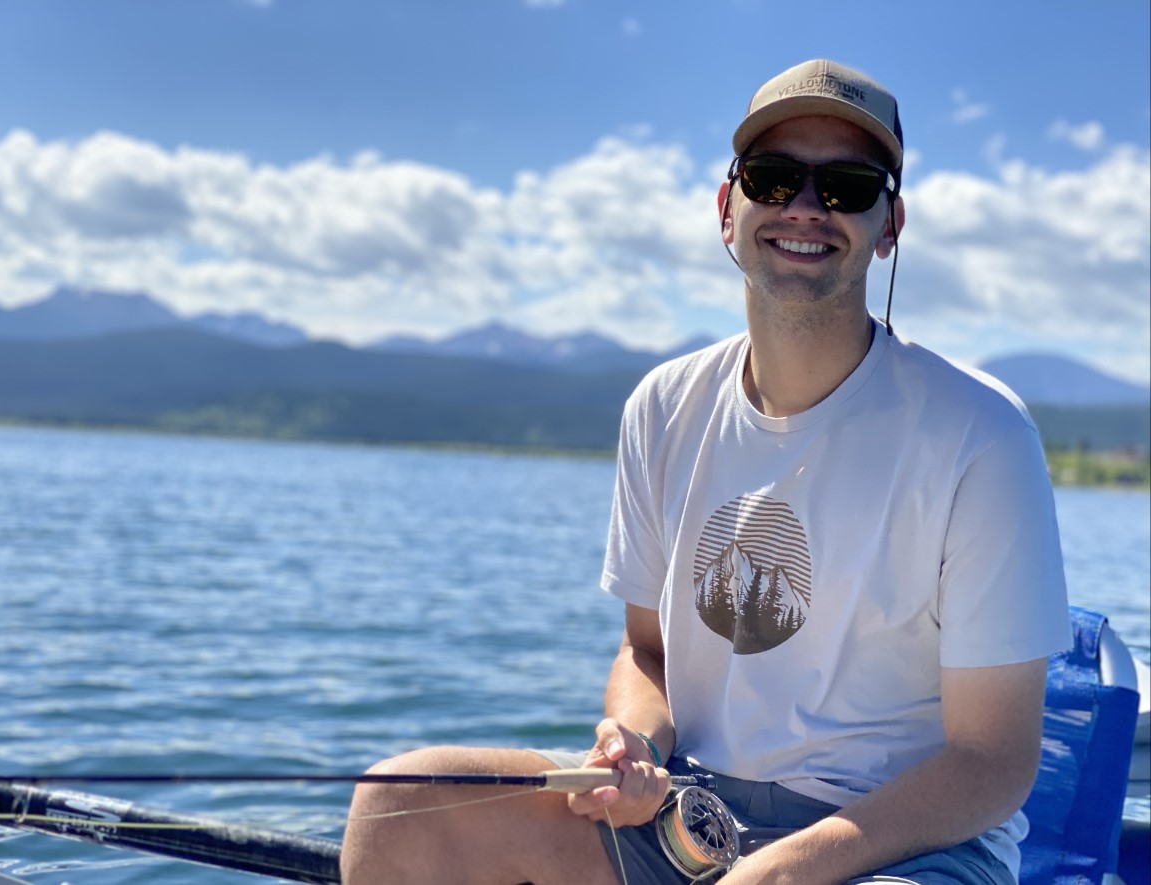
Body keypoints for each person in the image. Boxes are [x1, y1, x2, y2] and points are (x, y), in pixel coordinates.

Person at [340, 59, 1072, 885]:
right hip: (693, 821)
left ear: (889, 224)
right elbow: (647, 652)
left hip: (908, 846)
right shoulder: (662, 406)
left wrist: (789, 868)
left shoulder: (981, 433)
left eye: (847, 187)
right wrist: (635, 742)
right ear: (730, 208)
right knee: (401, 806)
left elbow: (991, 760)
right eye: (773, 177)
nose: (804, 207)